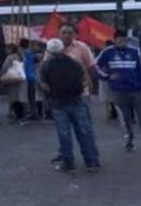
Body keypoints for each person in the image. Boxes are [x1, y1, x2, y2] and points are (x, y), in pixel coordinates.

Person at [39, 39, 100, 172]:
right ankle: (91, 162)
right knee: (84, 131)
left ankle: (69, 163)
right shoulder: (75, 62)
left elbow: (43, 83)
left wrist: (52, 92)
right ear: (62, 49)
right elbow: (85, 79)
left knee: (64, 134)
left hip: (58, 103)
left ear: (48, 51)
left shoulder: (45, 65)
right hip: (77, 100)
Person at [97, 29, 141, 153]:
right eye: (120, 40)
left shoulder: (134, 51)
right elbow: (96, 66)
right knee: (125, 118)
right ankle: (129, 141)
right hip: (119, 90)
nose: (123, 42)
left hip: (136, 89)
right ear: (115, 40)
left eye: (125, 40)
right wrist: (107, 76)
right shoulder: (107, 52)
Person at [0, 42, 28, 122]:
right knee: (20, 97)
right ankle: (22, 115)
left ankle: (18, 115)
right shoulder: (21, 56)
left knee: (14, 97)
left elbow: (4, 67)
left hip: (12, 79)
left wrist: (2, 77)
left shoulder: (10, 57)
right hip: (21, 78)